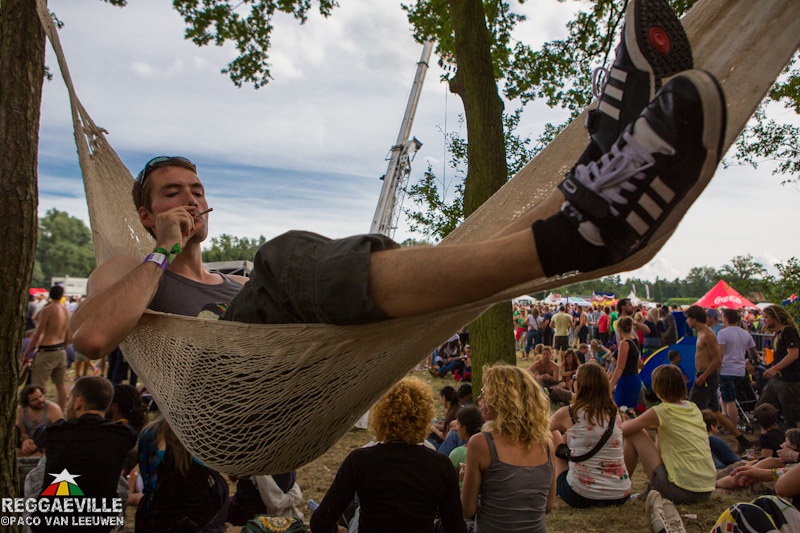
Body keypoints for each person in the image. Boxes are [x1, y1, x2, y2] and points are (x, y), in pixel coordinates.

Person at [310, 377, 466, 533]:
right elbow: (456, 527)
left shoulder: (359, 460)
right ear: (424, 417)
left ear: (380, 416)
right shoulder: (440, 465)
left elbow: (320, 522)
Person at [30, 377, 137, 532]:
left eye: (68, 400)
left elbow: (39, 437)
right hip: (100, 523)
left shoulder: (54, 433)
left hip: (53, 522)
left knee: (39, 470)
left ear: (78, 403)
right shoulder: (124, 435)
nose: (66, 405)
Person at [461, 364, 555, 532]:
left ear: (500, 400)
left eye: (485, 392)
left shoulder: (481, 443)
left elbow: (467, 510)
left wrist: (468, 479)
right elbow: (547, 506)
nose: (480, 398)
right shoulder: (546, 444)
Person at [622, 364, 716, 504]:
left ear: (657, 388)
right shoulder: (693, 408)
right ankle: (648, 489)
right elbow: (668, 425)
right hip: (705, 489)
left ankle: (621, 491)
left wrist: (627, 420)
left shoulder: (662, 411)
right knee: (660, 431)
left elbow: (623, 430)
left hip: (681, 490)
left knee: (635, 433)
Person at [549, 364, 631, 508]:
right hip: (620, 493)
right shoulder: (614, 414)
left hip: (581, 495)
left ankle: (553, 487)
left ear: (580, 384)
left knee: (554, 435)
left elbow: (538, 430)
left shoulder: (569, 412)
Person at [135, 417, 229, 532]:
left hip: (163, 517)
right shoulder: (207, 432)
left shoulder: (150, 433)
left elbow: (149, 485)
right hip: (203, 516)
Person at [22, 285, 70, 408]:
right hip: (61, 350)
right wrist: (64, 347)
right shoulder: (67, 311)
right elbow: (69, 336)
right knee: (60, 385)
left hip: (47, 350)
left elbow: (38, 333)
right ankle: (62, 411)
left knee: (38, 385)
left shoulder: (48, 310)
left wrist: (27, 352)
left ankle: (39, 412)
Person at [757, 304, 800, 428]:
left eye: (766, 317)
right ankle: (769, 440)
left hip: (790, 380)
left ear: (775, 317)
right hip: (778, 379)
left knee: (793, 416)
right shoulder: (778, 334)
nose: (764, 320)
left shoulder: (789, 331)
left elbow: (793, 354)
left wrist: (775, 369)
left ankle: (795, 442)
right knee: (762, 410)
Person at [718, 308, 759, 426]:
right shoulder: (745, 334)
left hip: (726, 369)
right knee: (726, 396)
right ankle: (726, 420)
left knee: (729, 399)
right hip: (740, 370)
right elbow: (752, 352)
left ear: (725, 318)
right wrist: (753, 361)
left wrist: (716, 368)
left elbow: (720, 353)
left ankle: (732, 425)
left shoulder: (722, 333)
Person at [227, 473, 305, 525]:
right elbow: (296, 494)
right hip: (276, 514)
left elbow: (275, 503)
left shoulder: (260, 470)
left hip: (252, 518)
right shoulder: (288, 464)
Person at [15, 384, 64, 457]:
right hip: (29, 444)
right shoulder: (20, 410)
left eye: (41, 396)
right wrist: (26, 441)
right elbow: (22, 431)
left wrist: (39, 446)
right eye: (35, 399)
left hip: (46, 445)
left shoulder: (53, 409)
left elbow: (59, 434)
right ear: (27, 402)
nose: (40, 400)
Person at [609, 316, 642, 409]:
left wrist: (611, 384)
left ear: (619, 329)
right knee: (629, 410)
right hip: (635, 377)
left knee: (620, 409)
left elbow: (620, 367)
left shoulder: (624, 343)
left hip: (626, 379)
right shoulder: (635, 341)